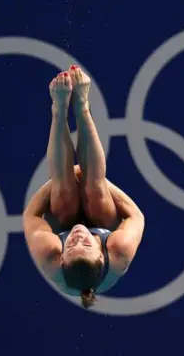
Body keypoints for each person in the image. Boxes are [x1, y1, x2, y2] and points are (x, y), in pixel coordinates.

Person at [23, 65, 145, 308]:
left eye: (71, 245)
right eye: (86, 244)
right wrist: (98, 179)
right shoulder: (119, 251)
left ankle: (58, 111)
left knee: (63, 191)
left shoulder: (48, 255)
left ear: (61, 259)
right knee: (96, 191)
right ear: (102, 254)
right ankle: (82, 106)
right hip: (104, 223)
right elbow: (135, 215)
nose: (78, 235)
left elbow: (31, 214)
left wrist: (61, 178)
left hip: (62, 218)